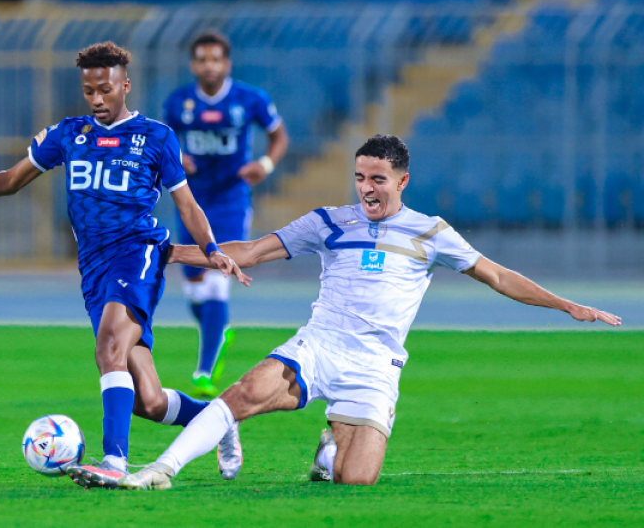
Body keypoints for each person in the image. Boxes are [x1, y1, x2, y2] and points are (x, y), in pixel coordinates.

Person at [117, 134, 621, 490]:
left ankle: (330, 444)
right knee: (245, 391)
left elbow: (497, 275)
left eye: (377, 178)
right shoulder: (328, 222)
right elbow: (249, 251)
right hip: (320, 344)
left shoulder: (431, 232)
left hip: (376, 365)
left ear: (403, 180)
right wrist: (164, 252)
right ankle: (162, 469)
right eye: (359, 177)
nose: (366, 188)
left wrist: (565, 304)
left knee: (354, 481)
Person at [0, 41, 251, 488]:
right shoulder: (69, 134)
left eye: (105, 89)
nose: (97, 99)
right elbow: (12, 180)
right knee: (150, 402)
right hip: (95, 268)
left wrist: (211, 247)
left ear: (125, 84)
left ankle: (114, 462)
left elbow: (187, 205)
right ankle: (218, 421)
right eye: (89, 91)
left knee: (108, 348)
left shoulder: (156, 137)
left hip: (138, 253)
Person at [162, 30, 289, 397]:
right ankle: (220, 332)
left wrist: (265, 164)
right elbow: (164, 140)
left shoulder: (250, 99)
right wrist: (176, 158)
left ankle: (204, 370)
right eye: (202, 59)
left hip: (232, 199)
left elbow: (279, 136)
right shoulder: (179, 102)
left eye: (215, 59)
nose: (209, 66)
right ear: (193, 64)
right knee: (193, 290)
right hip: (191, 200)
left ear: (226, 63)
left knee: (217, 278)